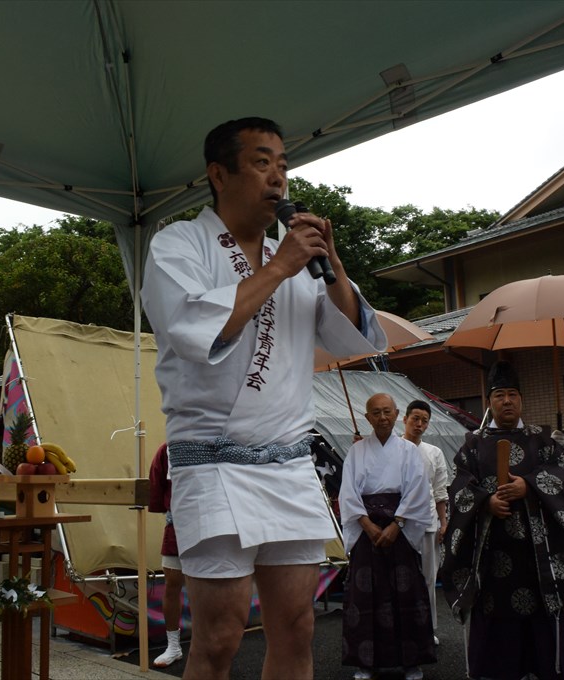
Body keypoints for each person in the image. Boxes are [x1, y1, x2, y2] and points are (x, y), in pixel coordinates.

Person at [141, 116, 386, 680]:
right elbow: (193, 329)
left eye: (282, 165)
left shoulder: (298, 261)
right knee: (220, 637)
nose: (277, 176)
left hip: (289, 462)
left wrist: (331, 263)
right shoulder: (179, 244)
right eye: (261, 162)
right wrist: (279, 268)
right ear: (218, 173)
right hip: (214, 462)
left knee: (298, 628)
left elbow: (351, 336)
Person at [439, 361, 564, 680]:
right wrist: (486, 502)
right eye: (499, 395)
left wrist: (529, 486)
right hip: (494, 558)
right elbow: (460, 487)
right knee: (499, 631)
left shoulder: (544, 439)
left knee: (546, 625)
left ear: (521, 399)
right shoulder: (473, 444)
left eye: (512, 394)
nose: (506, 401)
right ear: (489, 402)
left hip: (540, 557)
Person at [339, 393, 436, 680]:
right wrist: (367, 525)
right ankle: (365, 662)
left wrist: (398, 523)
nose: (382, 418)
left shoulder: (409, 451)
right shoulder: (356, 452)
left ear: (396, 414)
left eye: (387, 412)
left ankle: (411, 662)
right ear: (367, 417)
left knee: (406, 592)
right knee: (364, 594)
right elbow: (348, 492)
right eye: (376, 413)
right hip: (366, 529)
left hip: (401, 530)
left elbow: (418, 490)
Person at [402, 398, 450, 641]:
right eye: (415, 419)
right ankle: (402, 629)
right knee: (402, 578)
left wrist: (444, 522)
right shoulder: (391, 448)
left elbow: (440, 491)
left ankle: (428, 630)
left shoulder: (434, 452)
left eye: (424, 420)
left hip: (429, 522)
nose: (419, 424)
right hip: (399, 525)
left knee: (428, 578)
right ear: (405, 419)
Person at [147, 443, 185, 668]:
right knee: (172, 584)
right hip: (177, 526)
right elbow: (156, 478)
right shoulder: (167, 449)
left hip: (211, 523)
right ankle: (173, 645)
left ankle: (209, 642)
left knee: (207, 587)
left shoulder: (213, 440)